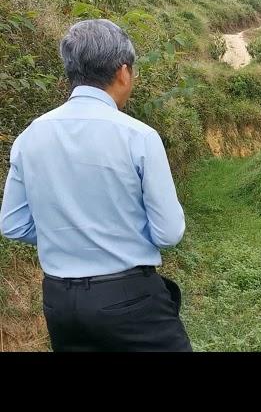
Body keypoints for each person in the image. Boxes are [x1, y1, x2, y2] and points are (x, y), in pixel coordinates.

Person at [0, 19, 192, 351]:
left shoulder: (30, 136)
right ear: (123, 71)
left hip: (61, 302)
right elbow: (168, 232)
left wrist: (67, 233)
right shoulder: (138, 136)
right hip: (130, 298)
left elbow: (13, 224)